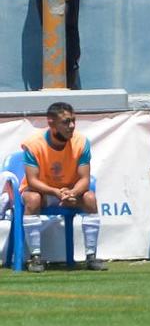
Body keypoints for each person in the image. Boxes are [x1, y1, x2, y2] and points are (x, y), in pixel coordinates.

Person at [18, 102, 104, 271]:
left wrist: (72, 192)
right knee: (32, 199)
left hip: (68, 193)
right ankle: (35, 258)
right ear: (51, 122)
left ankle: (91, 256)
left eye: (73, 121)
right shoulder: (33, 144)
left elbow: (85, 179)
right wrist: (55, 192)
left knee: (90, 198)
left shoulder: (81, 142)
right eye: (66, 122)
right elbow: (32, 181)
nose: (71, 126)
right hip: (43, 192)